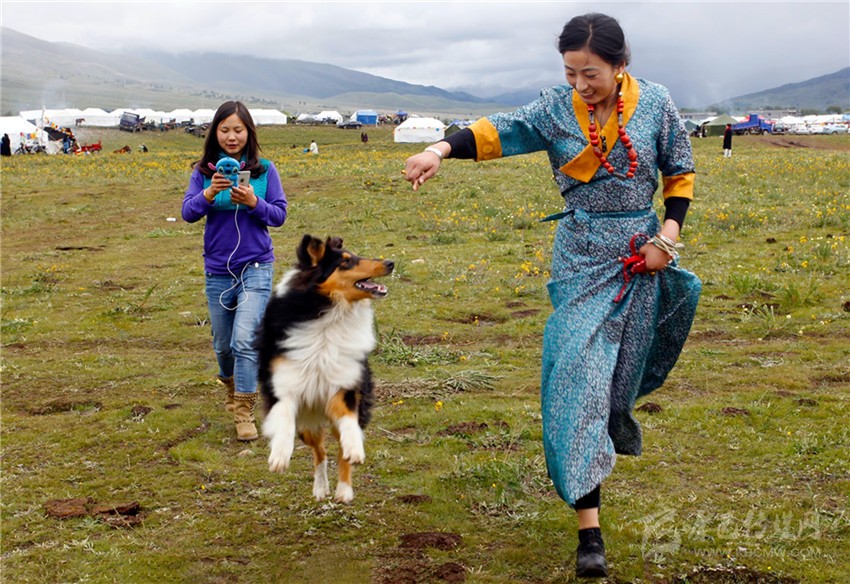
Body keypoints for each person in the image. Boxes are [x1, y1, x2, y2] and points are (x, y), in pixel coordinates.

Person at [403, 13, 701, 578]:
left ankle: (605, 437)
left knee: (613, 390)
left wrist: (667, 239)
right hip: (581, 255)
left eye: (590, 74)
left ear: (620, 64)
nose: (580, 85)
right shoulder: (554, 109)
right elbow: (499, 130)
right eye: (570, 73)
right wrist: (439, 150)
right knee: (577, 380)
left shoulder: (657, 103)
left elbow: (679, 174)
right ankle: (590, 531)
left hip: (639, 256)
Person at [182, 100, 288, 441]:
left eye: (238, 130)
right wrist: (209, 193)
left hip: (256, 266)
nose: (231, 137)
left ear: (249, 133)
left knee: (244, 341)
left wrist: (254, 203)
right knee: (223, 346)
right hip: (217, 270)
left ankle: (244, 412)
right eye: (224, 130)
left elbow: (279, 215)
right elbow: (187, 213)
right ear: (214, 133)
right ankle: (231, 387)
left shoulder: (265, 170)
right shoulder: (203, 172)